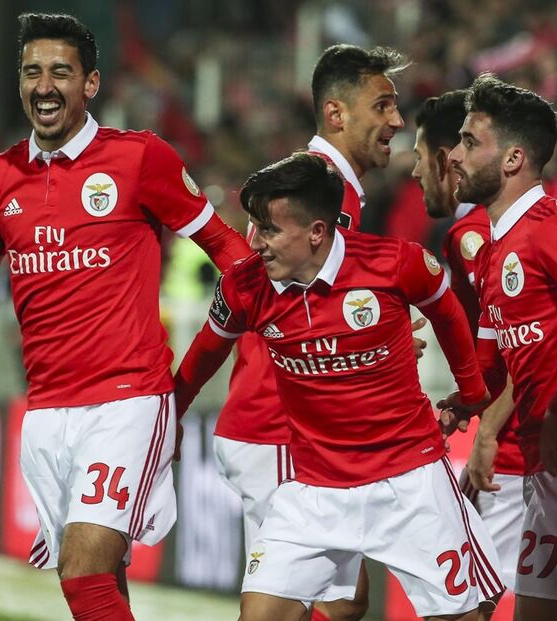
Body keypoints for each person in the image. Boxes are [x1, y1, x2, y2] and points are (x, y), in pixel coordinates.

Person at [0, 13, 250, 621]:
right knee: (100, 581)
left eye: (60, 72)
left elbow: (225, 246)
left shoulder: (139, 158)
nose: (44, 86)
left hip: (128, 398)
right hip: (47, 409)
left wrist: (285, 307)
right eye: (31, 72)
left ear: (91, 83)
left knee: (83, 570)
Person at [174, 152, 504, 621]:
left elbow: (447, 310)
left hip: (408, 481)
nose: (257, 243)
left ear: (316, 232)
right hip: (314, 490)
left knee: (464, 617)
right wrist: (171, 414)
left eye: (268, 229)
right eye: (254, 228)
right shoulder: (245, 287)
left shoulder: (395, 263)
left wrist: (472, 392)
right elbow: (205, 353)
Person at [209, 43, 408, 621]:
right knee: (309, 605)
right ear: (336, 113)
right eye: (383, 105)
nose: (396, 120)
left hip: (279, 424)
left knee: (341, 600)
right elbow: (292, 308)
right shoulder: (317, 190)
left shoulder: (310, 183)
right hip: (280, 423)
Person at [446, 74, 557, 621]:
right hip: (543, 462)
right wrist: (457, 406)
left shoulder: (555, 231)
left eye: (470, 143)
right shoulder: (495, 250)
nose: (453, 155)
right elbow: (494, 366)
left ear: (513, 159)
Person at [412, 90, 523, 596]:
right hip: (519, 431)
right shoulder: (489, 227)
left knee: (464, 595)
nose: (415, 173)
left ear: (445, 158)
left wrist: (488, 428)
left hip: (523, 444)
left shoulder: (476, 234)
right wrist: (470, 400)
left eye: (417, 157)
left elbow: (528, 345)